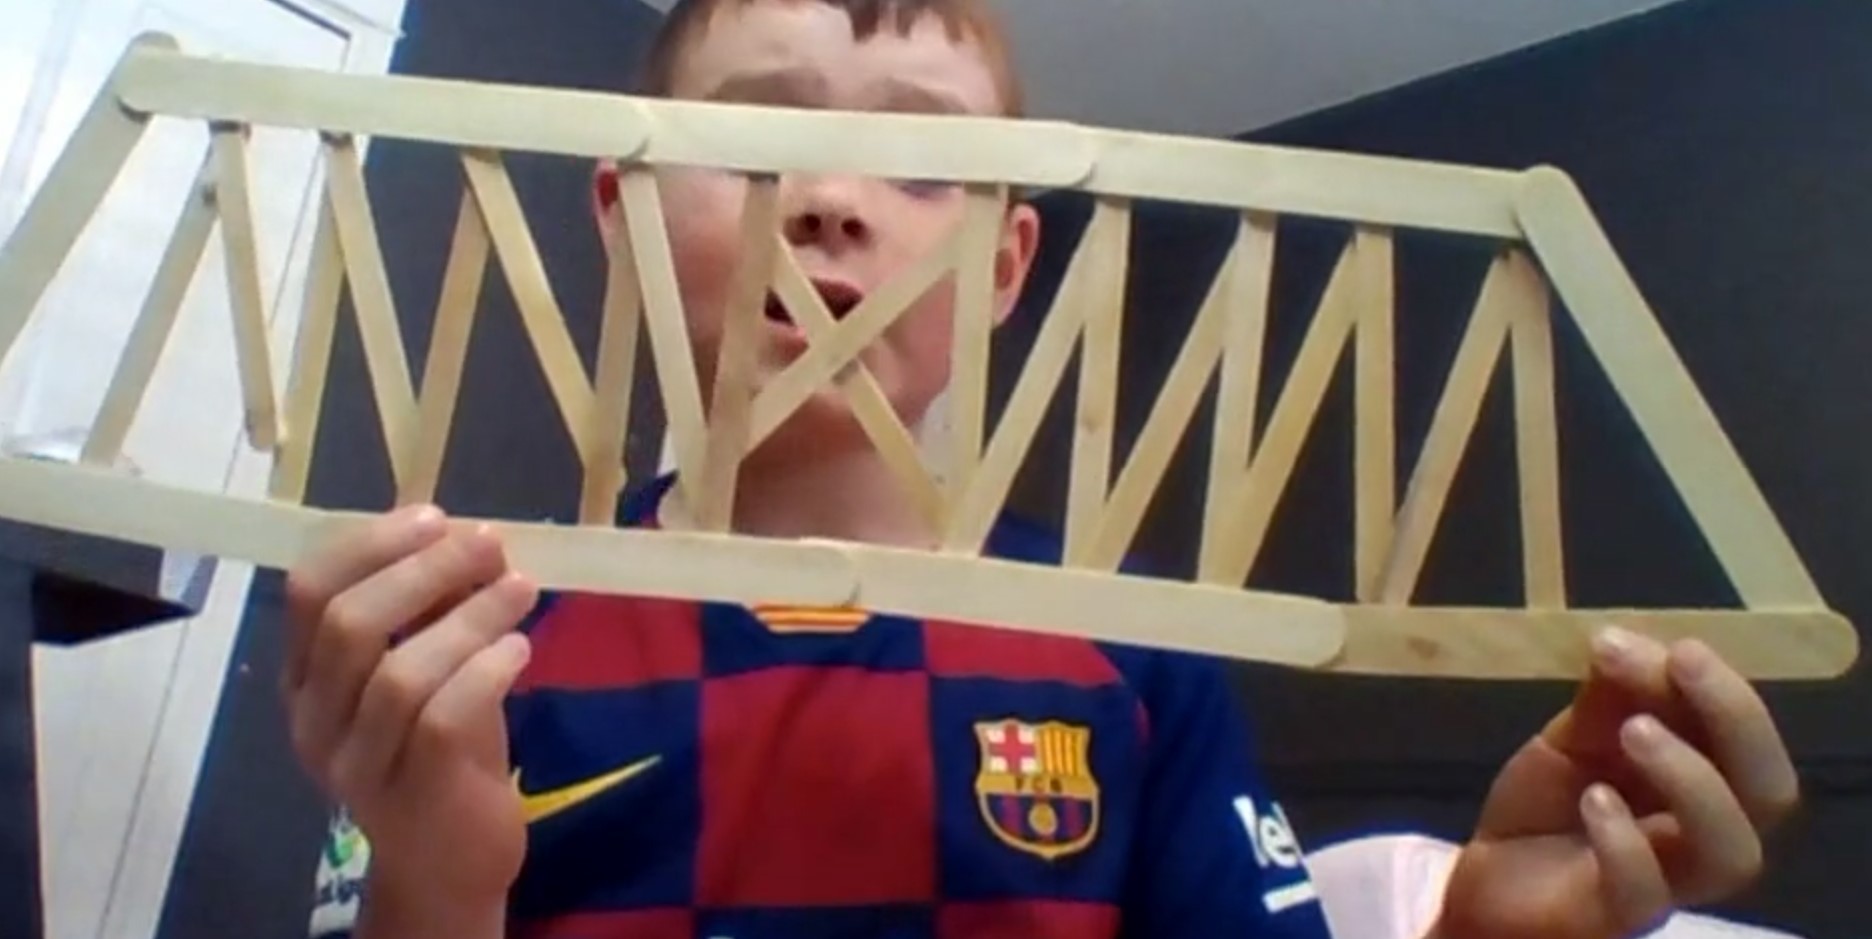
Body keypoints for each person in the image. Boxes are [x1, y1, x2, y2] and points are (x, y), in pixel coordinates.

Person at [290, 1, 1801, 937]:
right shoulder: (475, 641)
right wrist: (433, 887)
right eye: (749, 133)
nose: (827, 198)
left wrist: (1471, 938)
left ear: (1009, 265)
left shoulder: (1133, 651)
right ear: (618, 215)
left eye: (925, 162)